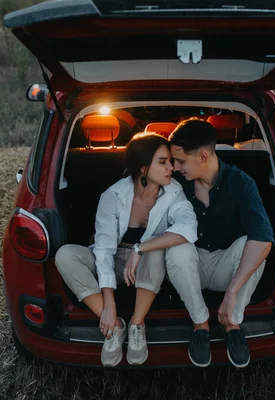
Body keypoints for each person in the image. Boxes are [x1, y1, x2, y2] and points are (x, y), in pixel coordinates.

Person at [55, 132, 198, 367]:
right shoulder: (113, 195)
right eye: (163, 162)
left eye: (170, 161)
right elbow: (103, 250)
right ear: (143, 168)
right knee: (66, 255)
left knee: (156, 249)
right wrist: (109, 305)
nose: (171, 167)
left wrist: (140, 248)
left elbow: (189, 226)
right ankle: (114, 325)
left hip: (145, 264)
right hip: (113, 260)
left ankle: (136, 324)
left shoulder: (174, 192)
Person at [166, 118, 274, 368]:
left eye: (181, 161)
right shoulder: (175, 182)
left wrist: (232, 292)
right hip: (188, 267)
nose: (176, 167)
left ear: (203, 156)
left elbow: (263, 239)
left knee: (254, 245)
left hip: (226, 266)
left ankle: (232, 323)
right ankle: (200, 324)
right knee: (176, 247)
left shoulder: (241, 183)